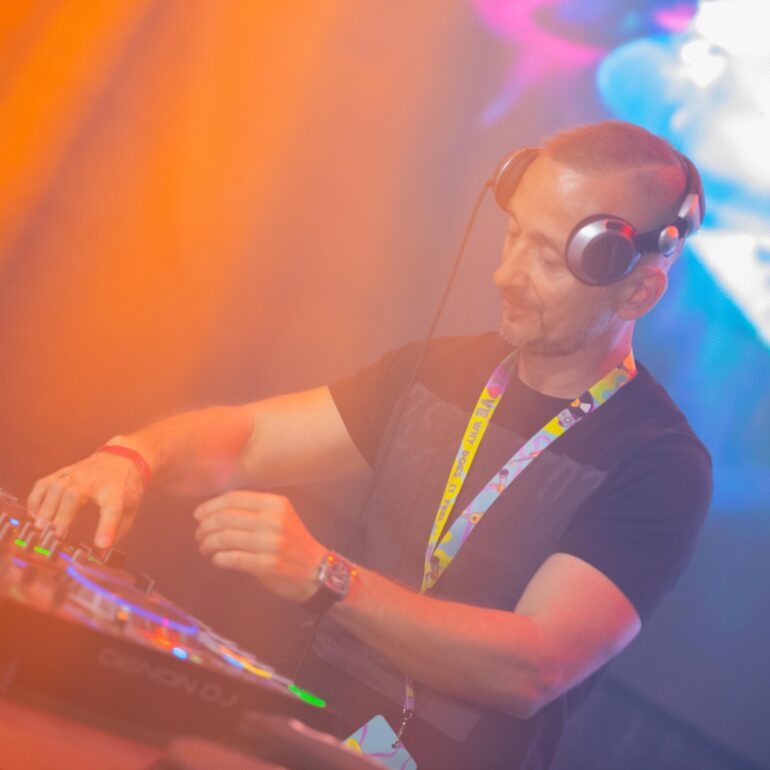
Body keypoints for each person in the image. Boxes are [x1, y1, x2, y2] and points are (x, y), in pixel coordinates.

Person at [28, 120, 712, 770]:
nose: (506, 274)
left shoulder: (658, 463)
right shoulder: (436, 372)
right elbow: (248, 440)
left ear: (638, 291)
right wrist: (133, 455)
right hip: (282, 743)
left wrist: (329, 578)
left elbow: (534, 667)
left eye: (549, 258)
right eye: (512, 235)